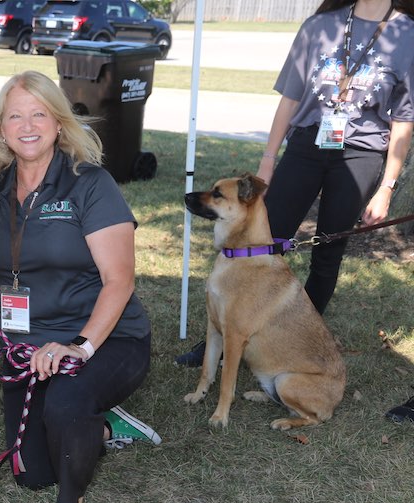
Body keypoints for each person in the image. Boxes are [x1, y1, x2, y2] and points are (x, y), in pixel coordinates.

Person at [0, 71, 159, 503]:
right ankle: (102, 428)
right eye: (15, 115)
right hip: (30, 347)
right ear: (1, 127)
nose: (27, 125)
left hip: (106, 337)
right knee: (32, 472)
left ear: (58, 124)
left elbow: (119, 281)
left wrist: (79, 348)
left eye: (39, 113)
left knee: (68, 400)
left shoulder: (90, 184)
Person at [176, 0, 414, 367]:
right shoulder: (320, 26)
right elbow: (289, 98)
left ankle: (297, 338)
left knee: (327, 255)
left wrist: (387, 186)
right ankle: (222, 342)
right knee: (263, 244)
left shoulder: (407, 34)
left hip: (362, 153)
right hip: (306, 143)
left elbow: (403, 119)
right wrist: (267, 162)